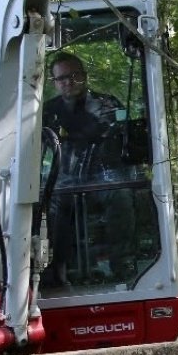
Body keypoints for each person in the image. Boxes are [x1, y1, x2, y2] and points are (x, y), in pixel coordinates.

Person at [42, 52, 134, 286]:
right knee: (49, 208)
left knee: (121, 196)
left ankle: (121, 265)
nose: (69, 82)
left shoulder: (107, 105)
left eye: (74, 76)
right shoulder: (47, 112)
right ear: (54, 83)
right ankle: (57, 271)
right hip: (65, 182)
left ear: (84, 76)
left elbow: (126, 139)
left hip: (102, 178)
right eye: (62, 78)